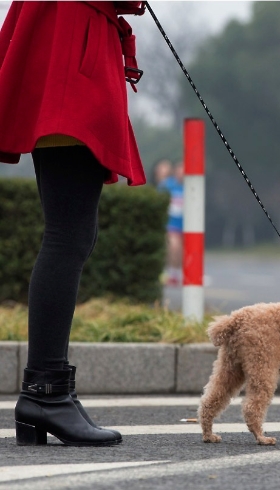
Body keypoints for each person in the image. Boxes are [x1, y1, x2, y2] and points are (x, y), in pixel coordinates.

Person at [0, 1, 146, 446]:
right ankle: (45, 393)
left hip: (68, 39)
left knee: (73, 232)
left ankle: (48, 392)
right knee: (68, 234)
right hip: (71, 49)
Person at [159, 162, 185, 286]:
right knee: (173, 247)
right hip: (171, 223)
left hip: (185, 224)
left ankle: (178, 272)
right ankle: (171, 273)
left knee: (182, 250)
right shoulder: (167, 185)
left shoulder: (191, 186)